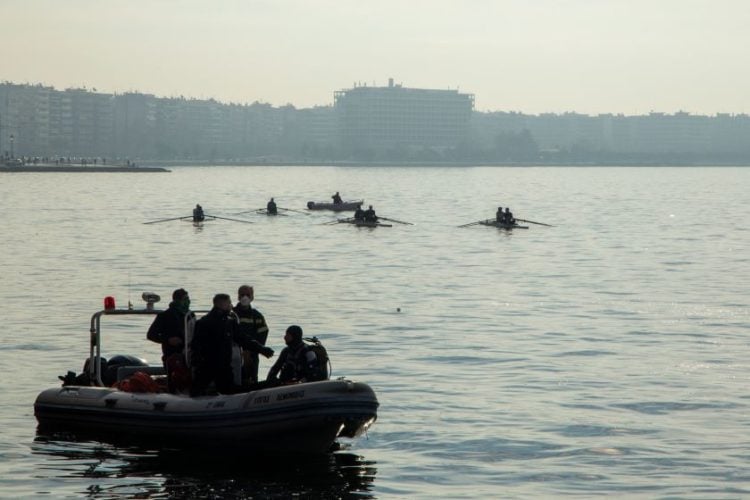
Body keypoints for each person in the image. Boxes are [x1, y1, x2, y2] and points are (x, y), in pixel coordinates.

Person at [190, 293, 274, 396]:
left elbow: (243, 339)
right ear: (222, 304)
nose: (231, 305)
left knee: (230, 390)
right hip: (207, 366)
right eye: (229, 303)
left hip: (224, 366)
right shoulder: (204, 323)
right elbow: (196, 344)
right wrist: (196, 359)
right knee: (196, 390)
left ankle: (267, 386)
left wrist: (261, 349)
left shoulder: (230, 322)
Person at [146, 288, 193, 393]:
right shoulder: (164, 316)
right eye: (185, 299)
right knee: (174, 380)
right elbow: (151, 335)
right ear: (177, 300)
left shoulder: (190, 315)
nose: (188, 301)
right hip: (171, 354)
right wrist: (168, 340)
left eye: (188, 299)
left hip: (189, 353)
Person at [233, 285, 270, 385]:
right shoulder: (232, 314)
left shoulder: (257, 316)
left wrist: (251, 351)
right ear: (238, 297)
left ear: (252, 297)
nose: (245, 297)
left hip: (251, 356)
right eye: (242, 294)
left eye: (248, 295)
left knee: (251, 380)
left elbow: (262, 335)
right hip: (233, 355)